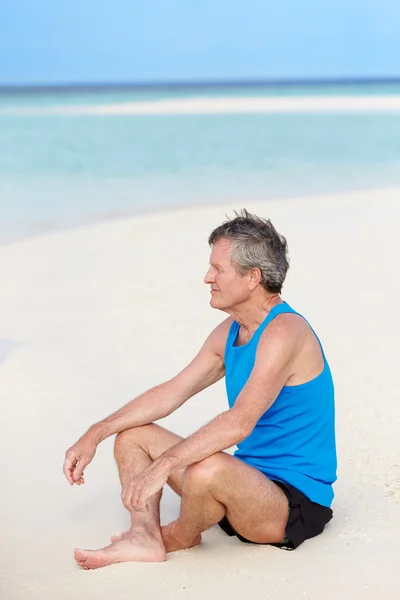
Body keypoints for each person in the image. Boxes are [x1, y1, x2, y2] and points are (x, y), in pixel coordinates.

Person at [63, 210, 337, 570]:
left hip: (290, 505)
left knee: (206, 469)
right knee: (132, 436)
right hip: (244, 483)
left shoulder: (285, 332)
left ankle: (181, 534)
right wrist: (95, 433)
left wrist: (165, 465)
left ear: (253, 277)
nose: (208, 278)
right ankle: (144, 537)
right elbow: (172, 392)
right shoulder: (232, 331)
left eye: (218, 269)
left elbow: (240, 422)